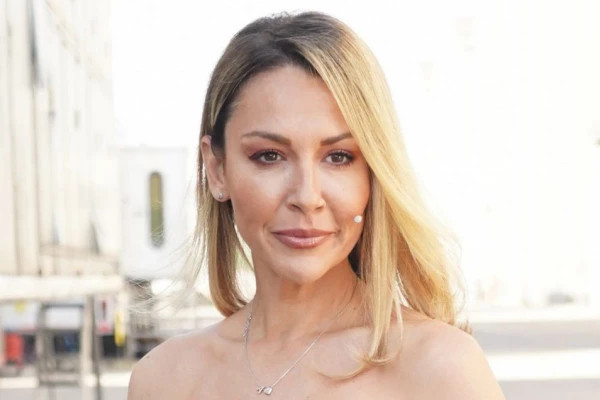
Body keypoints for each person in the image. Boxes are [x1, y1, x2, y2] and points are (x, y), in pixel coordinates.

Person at [128, 11, 505, 399]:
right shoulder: (163, 380)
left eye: (339, 157)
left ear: (374, 173)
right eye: (270, 156)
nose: (307, 197)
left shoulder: (440, 368)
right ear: (217, 169)